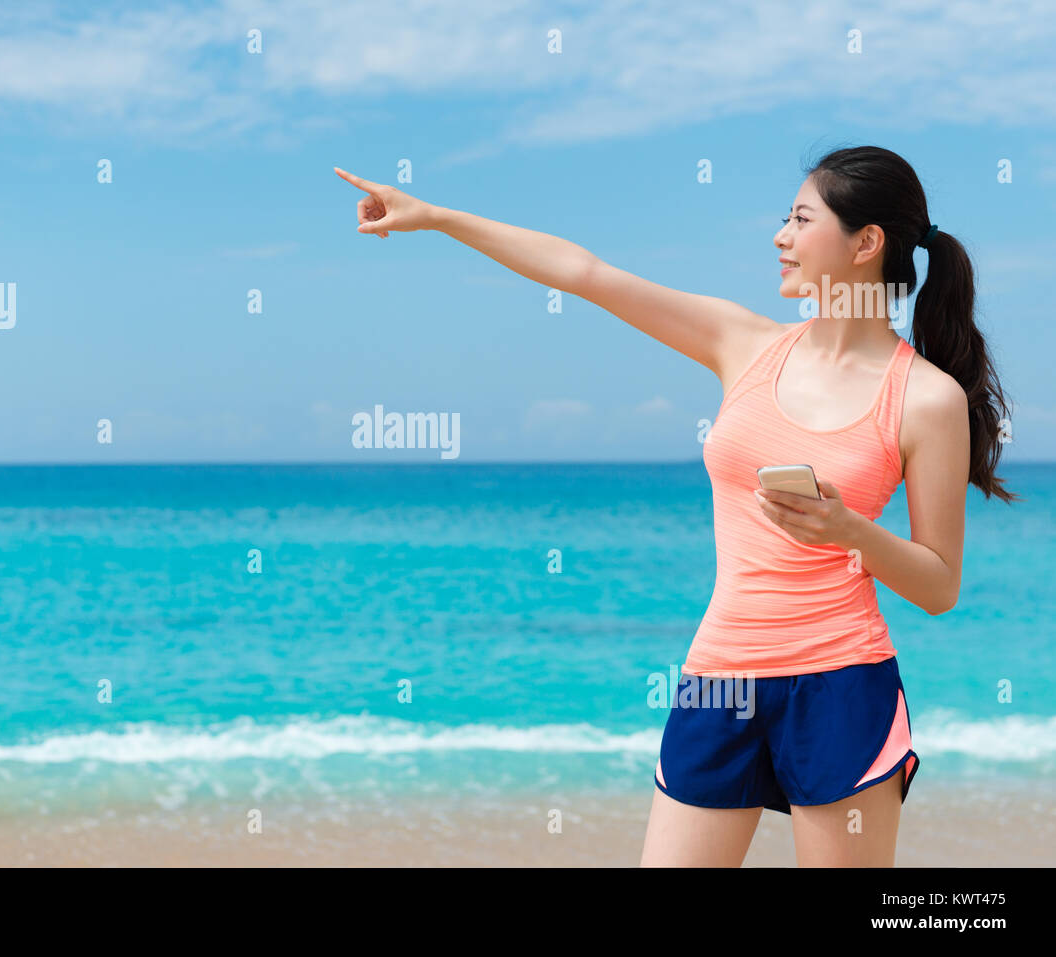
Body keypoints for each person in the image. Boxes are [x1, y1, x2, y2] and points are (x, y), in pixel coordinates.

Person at [334, 145, 1016, 866]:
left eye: (801, 218)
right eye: (784, 218)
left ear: (866, 243)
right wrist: (437, 217)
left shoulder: (925, 398)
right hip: (718, 677)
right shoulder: (743, 344)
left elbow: (939, 584)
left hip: (842, 686)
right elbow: (586, 274)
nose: (779, 236)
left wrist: (850, 531)